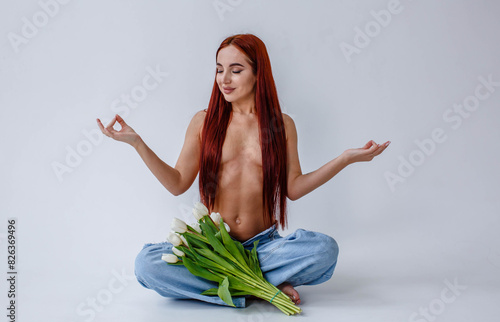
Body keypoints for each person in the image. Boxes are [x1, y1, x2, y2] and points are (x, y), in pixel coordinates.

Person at [96, 33, 389, 308]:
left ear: (258, 73)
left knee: (324, 250)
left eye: (236, 70)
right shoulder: (204, 122)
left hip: (263, 247)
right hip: (213, 248)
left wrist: (346, 159)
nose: (224, 79)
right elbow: (177, 183)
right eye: (219, 69)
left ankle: (238, 283)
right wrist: (137, 144)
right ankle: (260, 285)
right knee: (147, 265)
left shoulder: (281, 125)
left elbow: (294, 188)